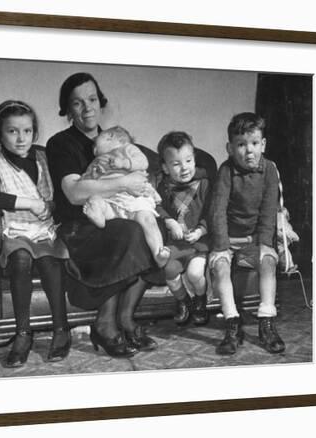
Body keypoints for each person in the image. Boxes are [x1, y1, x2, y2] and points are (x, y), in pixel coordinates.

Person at [46, 72, 160, 357]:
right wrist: (122, 183)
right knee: (129, 232)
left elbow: (142, 171)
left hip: (118, 213)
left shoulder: (115, 140)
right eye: (77, 103)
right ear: (67, 109)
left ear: (101, 101)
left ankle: (125, 316)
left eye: (92, 99)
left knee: (155, 229)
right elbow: (74, 193)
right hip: (80, 223)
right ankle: (106, 323)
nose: (87, 108)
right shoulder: (61, 144)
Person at [0, 100, 70, 368]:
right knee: (20, 259)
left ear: (34, 132)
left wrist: (49, 206)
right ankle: (22, 333)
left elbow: (58, 195)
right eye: (12, 131)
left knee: (50, 262)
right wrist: (29, 203)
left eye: (27, 131)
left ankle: (61, 329)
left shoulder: (43, 157)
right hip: (15, 230)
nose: (21, 138)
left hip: (45, 231)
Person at [208, 112, 285, 355]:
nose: (248, 151)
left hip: (253, 241)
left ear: (263, 144)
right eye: (241, 145)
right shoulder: (226, 171)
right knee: (220, 267)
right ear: (230, 148)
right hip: (228, 241)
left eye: (254, 143)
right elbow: (217, 211)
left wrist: (264, 243)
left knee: (269, 262)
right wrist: (221, 246)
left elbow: (269, 210)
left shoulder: (270, 170)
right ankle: (232, 325)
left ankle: (266, 322)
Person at [81, 125, 170, 267]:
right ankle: (98, 216)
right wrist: (85, 179)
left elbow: (143, 162)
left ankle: (158, 253)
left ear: (112, 138)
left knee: (148, 219)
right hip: (110, 200)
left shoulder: (126, 149)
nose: (94, 147)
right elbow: (86, 182)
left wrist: (124, 163)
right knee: (95, 200)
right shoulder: (95, 162)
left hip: (132, 198)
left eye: (96, 142)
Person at [156, 132, 211, 326]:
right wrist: (169, 221)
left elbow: (211, 213)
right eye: (176, 164)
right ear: (165, 167)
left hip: (198, 243)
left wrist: (201, 231)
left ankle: (200, 300)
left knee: (195, 274)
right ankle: (183, 301)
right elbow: (157, 207)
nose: (184, 167)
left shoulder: (204, 184)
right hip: (177, 244)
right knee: (168, 269)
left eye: (188, 160)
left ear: (194, 159)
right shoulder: (163, 187)